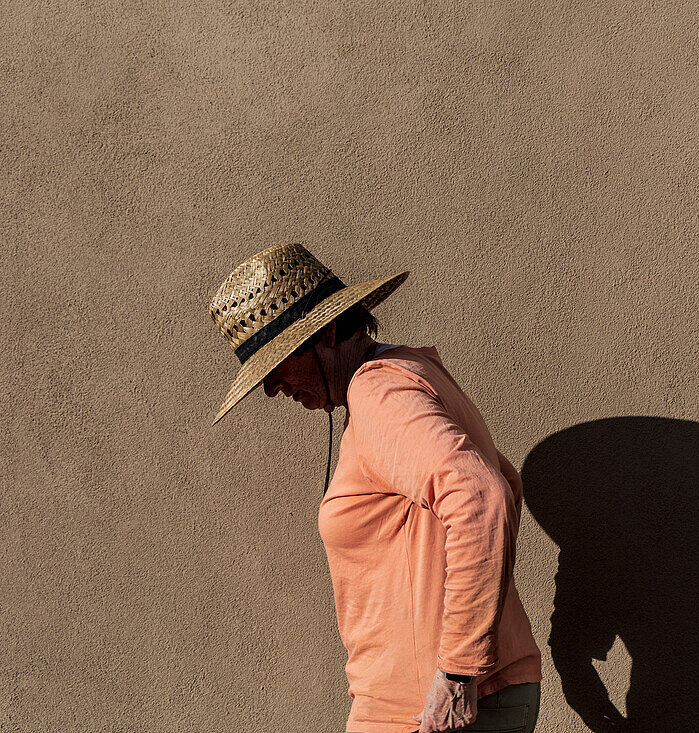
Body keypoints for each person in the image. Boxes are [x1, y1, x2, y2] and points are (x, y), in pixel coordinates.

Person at [208, 242, 542, 733]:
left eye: (274, 365)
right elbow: (507, 484)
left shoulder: (377, 393)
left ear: (324, 334)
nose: (271, 388)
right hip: (453, 696)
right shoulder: (409, 371)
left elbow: (481, 495)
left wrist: (455, 671)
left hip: (429, 709)